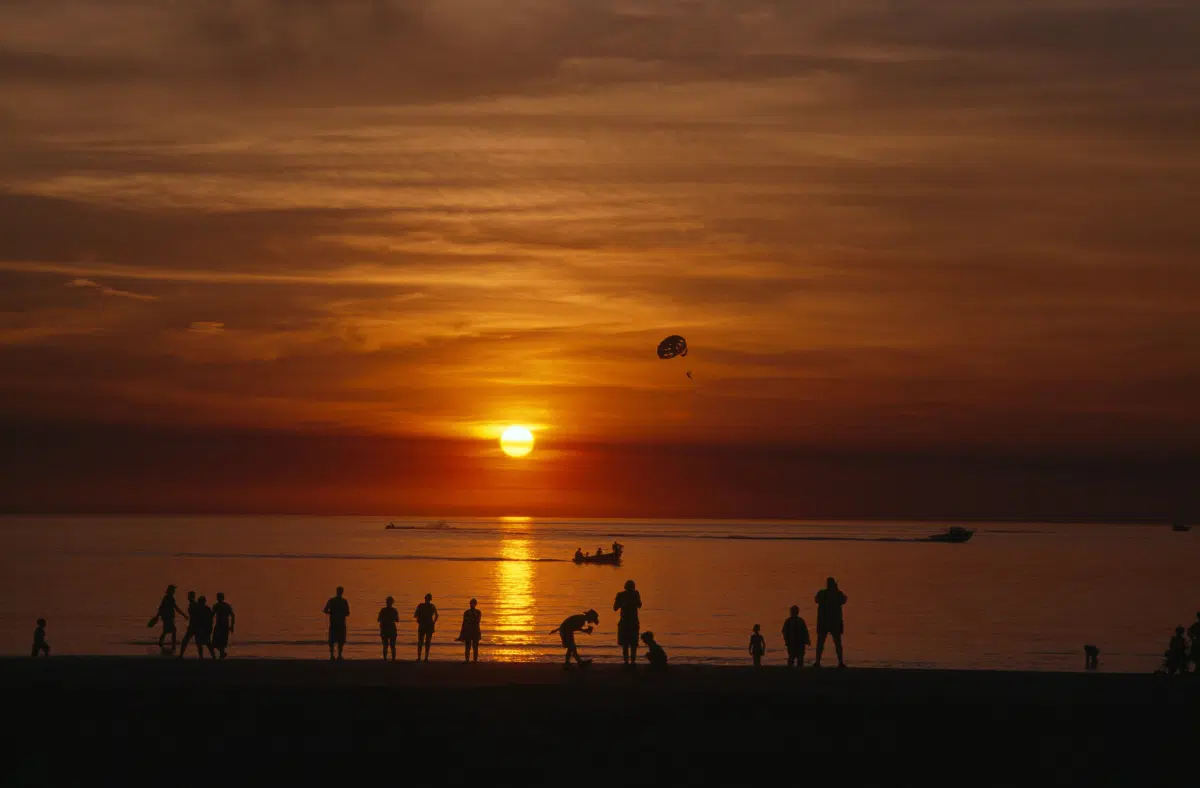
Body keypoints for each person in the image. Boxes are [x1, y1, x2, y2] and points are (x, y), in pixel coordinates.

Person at [814, 577, 848, 669]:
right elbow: (844, 599)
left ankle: (818, 662)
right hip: (833, 623)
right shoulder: (836, 594)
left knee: (821, 643)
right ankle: (839, 662)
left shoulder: (823, 594)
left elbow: (816, 599)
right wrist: (836, 590)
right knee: (836, 644)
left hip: (825, 622)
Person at [151, 584, 187, 654]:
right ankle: (172, 646)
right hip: (168, 617)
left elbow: (161, 607)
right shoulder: (169, 598)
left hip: (166, 617)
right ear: (171, 590)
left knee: (166, 631)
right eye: (173, 589)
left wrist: (157, 616)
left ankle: (160, 643)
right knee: (173, 630)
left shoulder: (167, 597)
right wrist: (184, 615)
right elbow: (175, 607)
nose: (174, 591)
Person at [613, 580, 643, 666]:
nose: (630, 590)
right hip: (626, 622)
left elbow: (639, 605)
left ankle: (631, 661)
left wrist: (632, 600)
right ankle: (627, 661)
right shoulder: (621, 595)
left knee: (632, 643)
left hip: (631, 622)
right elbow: (615, 607)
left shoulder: (635, 594)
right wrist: (622, 603)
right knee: (626, 644)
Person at [323, 586, 350, 661]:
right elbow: (347, 613)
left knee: (334, 640)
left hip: (335, 622)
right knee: (339, 640)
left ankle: (333, 655)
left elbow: (325, 610)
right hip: (339, 623)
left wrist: (331, 613)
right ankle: (338, 655)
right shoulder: (343, 601)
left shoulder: (332, 600)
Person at [414, 593, 438, 662]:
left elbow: (436, 615)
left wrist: (433, 622)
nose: (426, 599)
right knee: (421, 642)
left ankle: (425, 657)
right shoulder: (421, 606)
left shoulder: (431, 606)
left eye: (427, 598)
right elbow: (416, 615)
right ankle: (419, 657)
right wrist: (418, 620)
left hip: (428, 626)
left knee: (427, 642)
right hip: (424, 625)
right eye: (426, 598)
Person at [457, 598, 482, 663]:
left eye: (473, 603)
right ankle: (467, 660)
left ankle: (475, 660)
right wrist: (461, 633)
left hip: (475, 631)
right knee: (467, 647)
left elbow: (477, 620)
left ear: (476, 604)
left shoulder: (478, 612)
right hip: (468, 631)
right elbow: (464, 623)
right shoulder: (466, 612)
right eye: (471, 603)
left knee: (475, 647)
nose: (472, 605)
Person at [211, 593, 235, 660]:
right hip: (222, 625)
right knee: (218, 642)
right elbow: (232, 615)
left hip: (222, 625)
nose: (218, 598)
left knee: (218, 642)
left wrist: (232, 625)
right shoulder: (223, 605)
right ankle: (222, 653)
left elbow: (211, 615)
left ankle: (222, 654)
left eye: (218, 597)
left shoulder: (219, 605)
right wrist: (232, 625)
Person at [178, 590, 200, 658]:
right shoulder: (193, 604)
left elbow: (196, 616)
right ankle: (201, 656)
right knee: (197, 641)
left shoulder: (193, 604)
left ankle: (181, 655)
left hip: (194, 625)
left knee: (186, 640)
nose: (187, 597)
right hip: (194, 625)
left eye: (189, 596)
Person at [378, 596, 399, 661]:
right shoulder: (393, 610)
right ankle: (391, 659)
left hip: (387, 629)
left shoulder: (384, 610)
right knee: (390, 645)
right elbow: (397, 620)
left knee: (387, 645)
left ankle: (387, 659)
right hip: (389, 629)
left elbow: (379, 619)